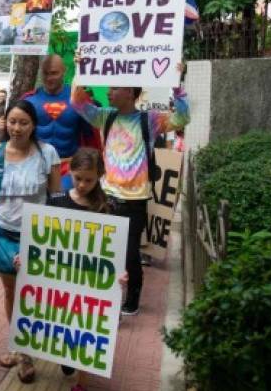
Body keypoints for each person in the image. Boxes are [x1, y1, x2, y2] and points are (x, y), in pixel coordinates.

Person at [71, 78, 189, 315]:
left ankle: (133, 295)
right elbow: (77, 102)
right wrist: (81, 73)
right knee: (101, 249)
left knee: (129, 253)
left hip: (134, 200)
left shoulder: (150, 119)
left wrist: (177, 86)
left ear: (130, 92)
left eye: (115, 88)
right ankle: (103, 295)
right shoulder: (106, 116)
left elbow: (182, 118)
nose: (110, 92)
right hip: (105, 197)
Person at [42, 147, 129, 391]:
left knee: (87, 330)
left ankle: (81, 386)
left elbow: (114, 248)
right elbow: (44, 240)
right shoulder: (56, 201)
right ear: (70, 173)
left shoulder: (108, 206)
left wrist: (119, 272)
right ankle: (69, 357)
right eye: (78, 178)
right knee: (66, 325)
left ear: (99, 176)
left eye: (89, 180)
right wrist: (29, 260)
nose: (82, 185)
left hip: (91, 281)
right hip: (63, 278)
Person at [0, 99, 60, 381]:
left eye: (23, 122)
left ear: (33, 125)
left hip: (35, 237)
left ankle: (26, 354)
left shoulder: (47, 153)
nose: (17, 128)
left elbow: (56, 198)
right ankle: (17, 345)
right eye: (12, 121)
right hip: (2, 234)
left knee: (33, 297)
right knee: (12, 293)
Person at [22, 55, 98, 190]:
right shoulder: (29, 100)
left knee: (62, 206)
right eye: (45, 73)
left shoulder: (78, 99)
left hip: (68, 167)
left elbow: (91, 137)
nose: (49, 78)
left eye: (54, 73)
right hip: (34, 165)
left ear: (64, 71)